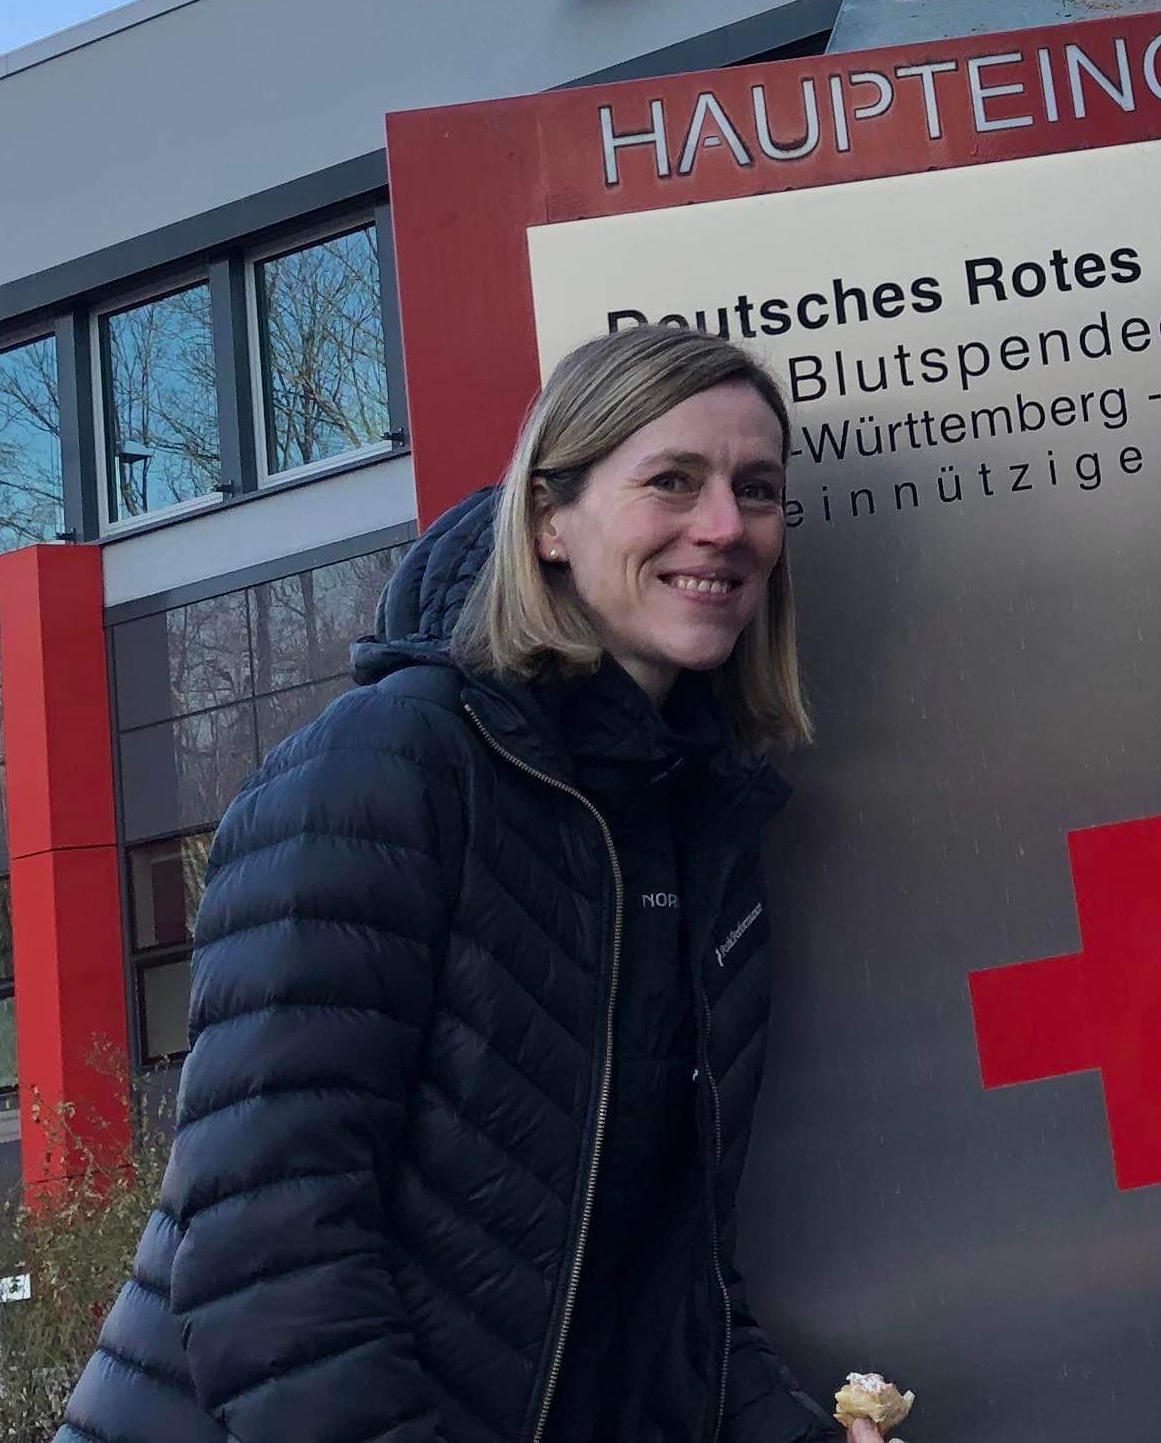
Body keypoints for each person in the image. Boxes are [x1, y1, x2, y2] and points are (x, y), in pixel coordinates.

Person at [61, 322, 864, 1443]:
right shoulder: (383, 768)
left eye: (759, 489)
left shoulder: (700, 836)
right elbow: (267, 1248)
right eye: (671, 481)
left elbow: (663, 1296)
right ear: (548, 520)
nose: (725, 528)